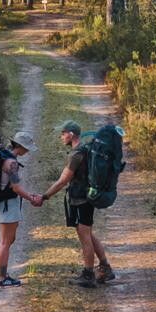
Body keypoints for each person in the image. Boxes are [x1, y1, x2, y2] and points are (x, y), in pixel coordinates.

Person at [41, 120, 114, 287]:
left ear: (71, 134)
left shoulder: (76, 154)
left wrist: (44, 196)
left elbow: (63, 181)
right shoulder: (86, 150)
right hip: (87, 198)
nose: (61, 136)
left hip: (82, 199)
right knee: (87, 233)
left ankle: (88, 275)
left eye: (63, 133)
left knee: (84, 236)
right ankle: (105, 267)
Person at [0, 130, 42, 286]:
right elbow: (16, 188)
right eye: (27, 148)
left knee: (8, 239)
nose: (27, 151)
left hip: (2, 203)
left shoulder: (4, 156)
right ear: (21, 146)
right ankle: (2, 278)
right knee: (5, 241)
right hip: (7, 205)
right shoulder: (12, 163)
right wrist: (32, 198)